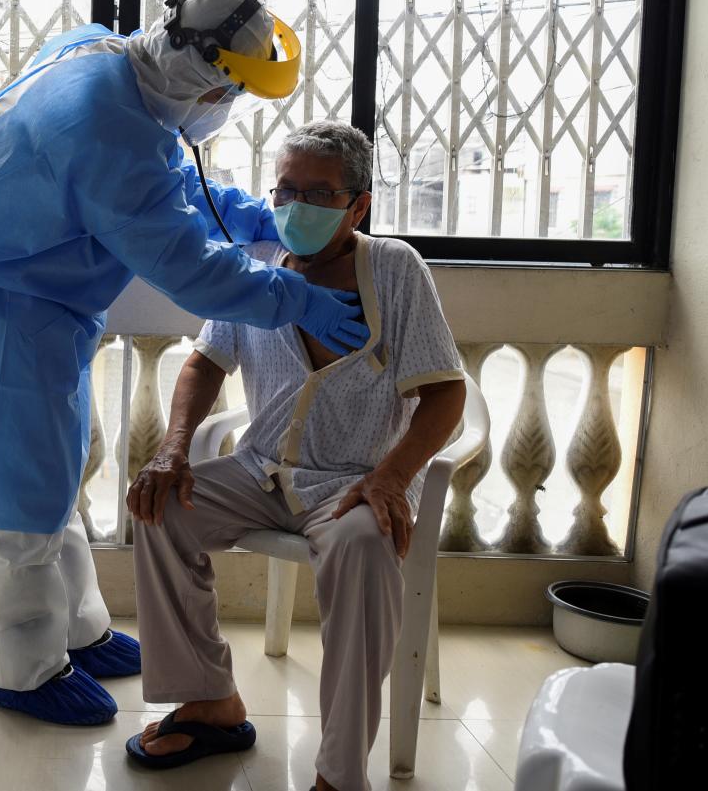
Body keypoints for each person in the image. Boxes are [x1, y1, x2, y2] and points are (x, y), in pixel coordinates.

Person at [0, 0, 371, 727]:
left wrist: (256, 215)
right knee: (16, 508)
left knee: (55, 483)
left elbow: (170, 178)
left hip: (33, 306)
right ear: (207, 79)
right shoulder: (107, 133)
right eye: (231, 95)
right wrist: (295, 297)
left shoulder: (109, 56)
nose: (227, 111)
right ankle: (21, 666)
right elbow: (191, 267)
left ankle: (78, 629)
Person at [123, 121, 467, 790]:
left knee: (366, 548)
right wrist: (172, 450)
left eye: (316, 193)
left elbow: (445, 393)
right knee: (159, 508)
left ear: (358, 204)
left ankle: (339, 773)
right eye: (284, 190)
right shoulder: (255, 263)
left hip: (354, 484)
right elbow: (204, 361)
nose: (293, 207)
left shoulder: (395, 269)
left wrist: (393, 475)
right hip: (261, 471)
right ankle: (210, 699)